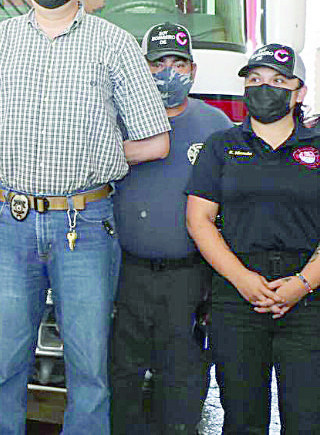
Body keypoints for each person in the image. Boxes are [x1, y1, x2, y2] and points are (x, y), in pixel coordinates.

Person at [0, 0, 171, 434]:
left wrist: (100, 156)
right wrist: (7, 155)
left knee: (89, 369)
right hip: (11, 221)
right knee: (6, 364)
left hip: (85, 224)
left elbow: (156, 141)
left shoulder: (115, 44)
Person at [186, 43, 320, 434]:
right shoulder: (222, 146)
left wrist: (301, 284)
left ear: (300, 92)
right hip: (237, 298)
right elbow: (200, 220)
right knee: (242, 419)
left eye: (279, 80)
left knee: (307, 419)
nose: (266, 88)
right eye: (256, 80)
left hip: (308, 298)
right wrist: (243, 280)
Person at [109, 23, 233, 434]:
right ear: (142, 69)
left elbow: (231, 208)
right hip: (127, 275)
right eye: (158, 63)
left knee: (183, 381)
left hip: (188, 279)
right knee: (121, 378)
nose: (168, 72)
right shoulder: (118, 121)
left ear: (193, 71)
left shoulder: (216, 127)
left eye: (178, 63)